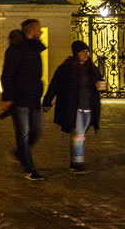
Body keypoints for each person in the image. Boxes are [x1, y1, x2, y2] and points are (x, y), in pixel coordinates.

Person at [43, 40, 103, 173]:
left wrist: (101, 86)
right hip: (74, 107)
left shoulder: (91, 68)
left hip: (89, 107)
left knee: (80, 135)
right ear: (76, 53)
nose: (86, 54)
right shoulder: (67, 67)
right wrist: (47, 100)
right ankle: (76, 163)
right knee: (78, 135)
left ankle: (75, 161)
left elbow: (99, 81)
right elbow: (55, 84)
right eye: (83, 52)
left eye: (87, 52)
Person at [1, 19, 47, 180]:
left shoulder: (35, 48)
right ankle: (30, 168)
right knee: (23, 134)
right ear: (32, 30)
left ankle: (19, 153)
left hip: (33, 97)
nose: (41, 32)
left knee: (36, 131)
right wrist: (7, 97)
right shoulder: (15, 49)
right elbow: (7, 74)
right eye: (39, 30)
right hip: (20, 98)